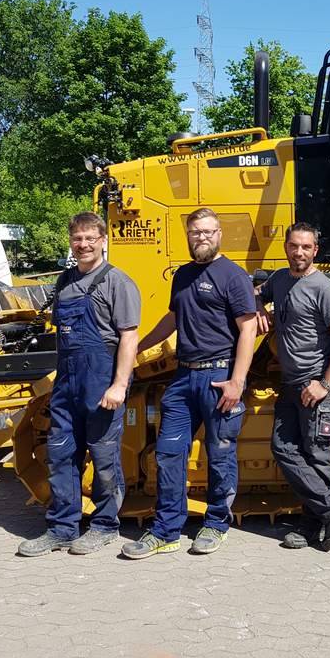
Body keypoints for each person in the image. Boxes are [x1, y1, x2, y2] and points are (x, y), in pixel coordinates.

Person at [122, 208, 257, 559]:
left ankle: (215, 524)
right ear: (188, 235)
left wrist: (236, 381)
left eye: (208, 231)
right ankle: (166, 531)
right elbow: (174, 317)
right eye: (195, 232)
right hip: (183, 378)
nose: (202, 237)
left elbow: (248, 328)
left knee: (219, 455)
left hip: (219, 377)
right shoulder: (182, 275)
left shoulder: (233, 276)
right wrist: (139, 346)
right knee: (169, 454)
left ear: (219, 233)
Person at [18, 211, 140, 557]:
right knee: (60, 455)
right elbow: (63, 338)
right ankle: (62, 528)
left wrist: (119, 385)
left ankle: (104, 526)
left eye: (90, 238)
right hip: (68, 383)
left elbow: (129, 338)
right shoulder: (65, 282)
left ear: (103, 241)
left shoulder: (118, 282)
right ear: (71, 242)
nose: (83, 244)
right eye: (77, 238)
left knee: (103, 458)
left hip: (101, 383)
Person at [256, 222, 330, 551]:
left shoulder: (323, 288)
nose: (299, 252)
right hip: (290, 384)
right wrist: (258, 306)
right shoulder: (281, 280)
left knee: (319, 457)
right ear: (286, 248)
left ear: (315, 251)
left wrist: (324, 384)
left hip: (317, 384)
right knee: (283, 448)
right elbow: (255, 292)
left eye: (305, 247)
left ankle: (315, 524)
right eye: (293, 246)